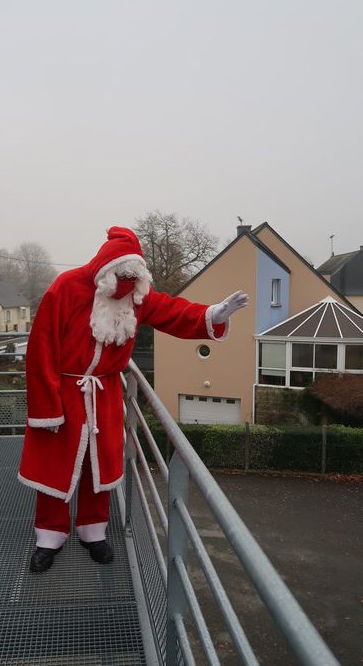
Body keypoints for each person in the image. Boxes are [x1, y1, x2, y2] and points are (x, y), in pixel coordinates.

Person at [18, 226, 248, 572]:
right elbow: (41, 348)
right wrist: (47, 407)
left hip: (106, 392)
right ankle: (49, 535)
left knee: (100, 467)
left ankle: (93, 531)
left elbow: (172, 311)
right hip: (64, 392)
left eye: (132, 276)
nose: (126, 283)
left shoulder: (138, 296)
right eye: (121, 275)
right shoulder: (66, 287)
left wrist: (211, 315)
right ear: (106, 269)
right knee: (56, 466)